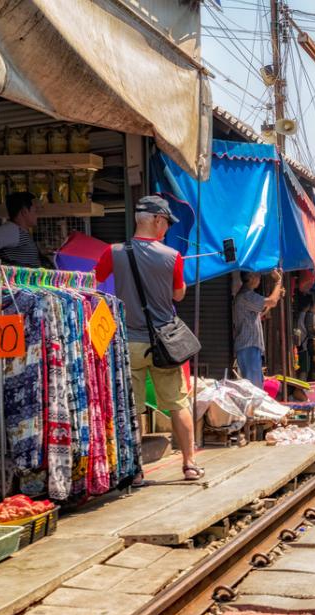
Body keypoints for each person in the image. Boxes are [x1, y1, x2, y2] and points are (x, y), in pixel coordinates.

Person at [94, 195, 201, 482]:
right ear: (156, 219)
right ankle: (190, 464)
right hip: (165, 343)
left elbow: (95, 283)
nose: (166, 228)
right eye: (166, 222)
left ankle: (136, 471)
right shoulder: (172, 256)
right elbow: (178, 295)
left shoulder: (113, 252)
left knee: (133, 409)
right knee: (177, 403)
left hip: (129, 342)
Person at [233, 270, 283, 387]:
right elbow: (272, 301)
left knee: (254, 385)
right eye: (258, 276)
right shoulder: (246, 295)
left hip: (249, 346)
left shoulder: (246, 295)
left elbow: (264, 309)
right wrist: (278, 281)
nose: (259, 279)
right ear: (251, 277)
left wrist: (277, 295)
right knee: (254, 387)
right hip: (248, 346)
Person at [0, 191, 41, 271]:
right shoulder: (12, 230)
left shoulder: (19, 231)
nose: (37, 214)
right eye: (35, 211)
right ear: (24, 211)